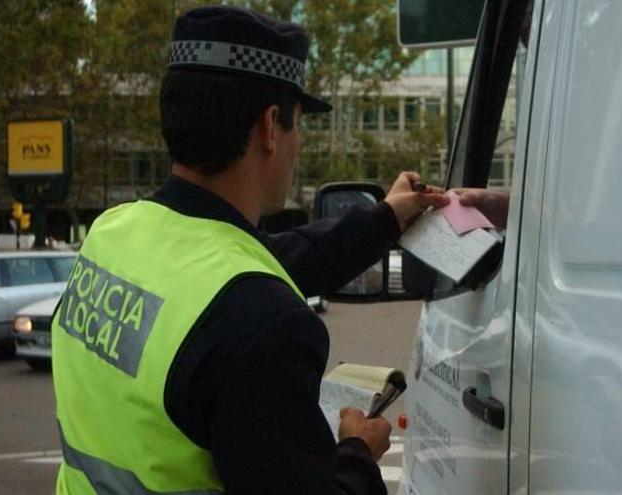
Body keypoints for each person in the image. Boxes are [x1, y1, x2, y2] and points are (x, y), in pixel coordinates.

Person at [51, 6, 447, 495]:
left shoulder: (112, 233)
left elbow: (271, 261)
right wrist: (357, 452)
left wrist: (386, 216)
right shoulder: (265, 321)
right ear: (270, 126)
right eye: (298, 125)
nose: (297, 144)